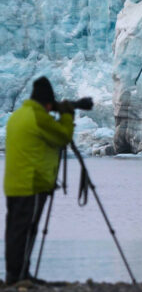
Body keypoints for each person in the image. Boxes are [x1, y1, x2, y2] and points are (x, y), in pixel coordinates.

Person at [3, 77, 91, 285]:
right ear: (48, 103)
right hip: (32, 184)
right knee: (27, 231)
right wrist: (68, 115)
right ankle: (20, 276)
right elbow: (63, 136)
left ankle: (14, 275)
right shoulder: (39, 117)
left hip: (14, 184)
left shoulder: (18, 115)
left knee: (15, 231)